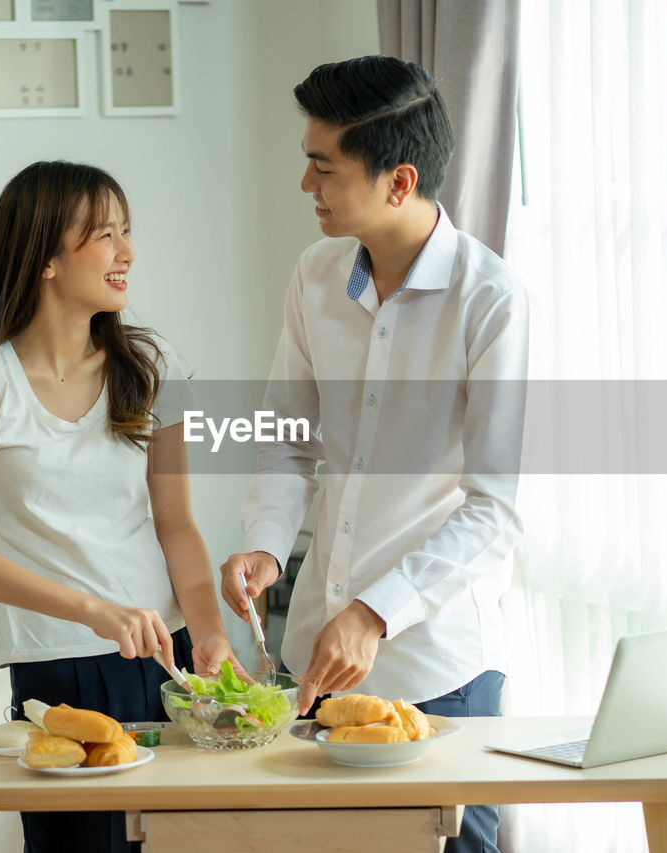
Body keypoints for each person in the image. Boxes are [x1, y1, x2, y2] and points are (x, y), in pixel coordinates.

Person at [218, 56, 528, 853]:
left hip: (439, 666)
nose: (305, 186)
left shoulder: (489, 300)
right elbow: (289, 438)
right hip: (319, 659)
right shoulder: (315, 276)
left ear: (400, 180)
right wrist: (265, 545)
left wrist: (377, 610)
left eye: (324, 167)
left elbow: (494, 510)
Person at [0, 160, 237, 852]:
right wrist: (93, 608)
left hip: (165, 662)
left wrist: (210, 632)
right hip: (59, 666)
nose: (127, 252)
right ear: (44, 259)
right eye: (105, 234)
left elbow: (177, 525)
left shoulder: (152, 367)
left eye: (127, 232)